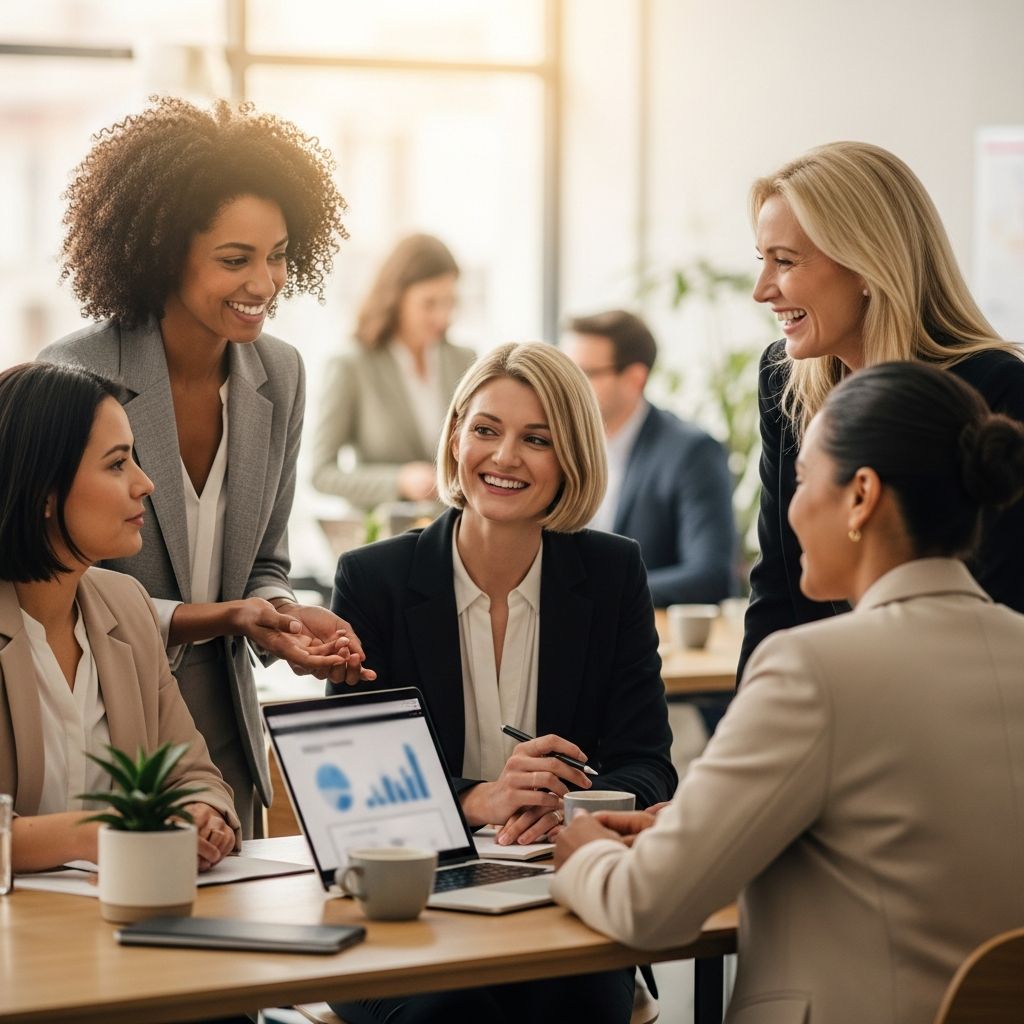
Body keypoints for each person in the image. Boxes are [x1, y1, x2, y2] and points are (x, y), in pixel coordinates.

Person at [552, 361, 1024, 1024]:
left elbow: (646, 907)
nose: (789, 508)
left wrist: (584, 851)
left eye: (801, 479)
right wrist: (703, 830)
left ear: (861, 495)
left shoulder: (814, 669)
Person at [40, 97, 372, 839]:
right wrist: (218, 617)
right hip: (107, 737)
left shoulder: (278, 375)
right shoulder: (74, 375)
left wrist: (281, 619)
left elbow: (266, 561)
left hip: (225, 744)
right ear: (163, 252)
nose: (265, 282)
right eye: (235, 259)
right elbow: (57, 583)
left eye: (279, 254)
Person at [329, 342, 677, 1024]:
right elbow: (352, 788)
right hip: (405, 906)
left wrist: (579, 804)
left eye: (537, 439)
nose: (505, 456)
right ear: (455, 434)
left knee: (573, 1002)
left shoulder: (611, 574)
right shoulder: (374, 580)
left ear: (571, 457)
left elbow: (647, 764)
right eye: (486, 429)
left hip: (555, 894)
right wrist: (478, 800)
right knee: (452, 1015)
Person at [739, 140, 1024, 680]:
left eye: (785, 262)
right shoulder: (785, 378)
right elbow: (777, 583)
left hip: (953, 705)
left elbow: (1002, 599)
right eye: (762, 260)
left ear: (866, 265)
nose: (762, 290)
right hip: (827, 698)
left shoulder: (996, 387)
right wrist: (755, 719)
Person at [0, 362, 240, 874]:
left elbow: (194, 774)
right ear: (44, 491)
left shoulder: (125, 604)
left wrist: (201, 813)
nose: (146, 484)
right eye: (117, 465)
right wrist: (106, 831)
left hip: (122, 922)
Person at [564, 309, 736, 607]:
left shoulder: (691, 452)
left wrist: (599, 591)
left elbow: (710, 576)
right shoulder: (554, 444)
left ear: (634, 379)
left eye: (585, 374)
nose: (568, 387)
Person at [311, 233, 476, 509]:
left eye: (449, 302)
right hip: (385, 537)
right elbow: (321, 474)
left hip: (457, 532)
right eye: (429, 303)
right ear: (395, 298)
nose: (442, 317)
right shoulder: (351, 365)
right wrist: (398, 480)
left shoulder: (464, 360)